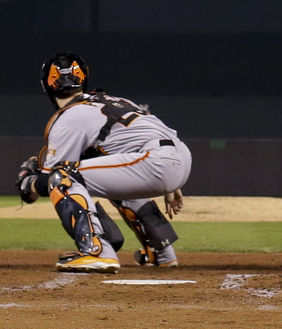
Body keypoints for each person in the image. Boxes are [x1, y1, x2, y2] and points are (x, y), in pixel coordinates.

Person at [16, 53, 191, 273]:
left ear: (46, 85)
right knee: (112, 177)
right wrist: (172, 182)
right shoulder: (115, 101)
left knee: (63, 176)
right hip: (177, 155)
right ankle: (162, 253)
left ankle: (97, 251)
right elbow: (145, 133)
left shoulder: (69, 117)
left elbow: (52, 179)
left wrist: (29, 183)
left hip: (154, 160)